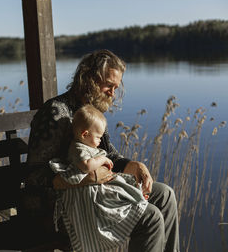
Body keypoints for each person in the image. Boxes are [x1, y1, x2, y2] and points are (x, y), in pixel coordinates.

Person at [26, 49, 180, 252]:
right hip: (62, 206)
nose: (112, 93)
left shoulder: (91, 110)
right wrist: (83, 178)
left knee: (165, 195)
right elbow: (34, 175)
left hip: (97, 194)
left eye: (116, 88)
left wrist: (135, 166)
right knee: (150, 217)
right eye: (109, 85)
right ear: (88, 78)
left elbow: (109, 155)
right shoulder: (55, 112)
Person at [49, 104, 149, 251]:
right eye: (98, 137)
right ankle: (135, 200)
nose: (100, 141)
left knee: (159, 193)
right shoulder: (78, 149)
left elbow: (111, 155)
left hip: (100, 183)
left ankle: (136, 195)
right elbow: (86, 166)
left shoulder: (86, 145)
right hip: (88, 192)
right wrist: (102, 160)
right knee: (149, 215)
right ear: (84, 134)